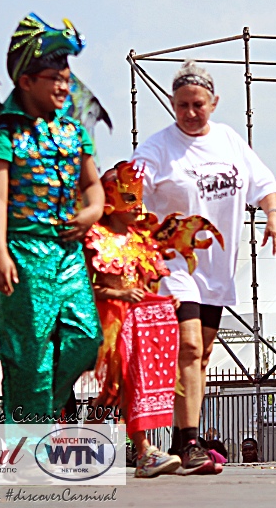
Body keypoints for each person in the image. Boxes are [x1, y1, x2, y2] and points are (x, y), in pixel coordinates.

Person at [133, 60, 276, 475]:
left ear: (213, 103)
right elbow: (130, 189)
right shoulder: (158, 148)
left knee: (198, 361)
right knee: (190, 347)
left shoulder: (230, 141)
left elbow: (265, 184)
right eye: (181, 105)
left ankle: (178, 442)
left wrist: (273, 215)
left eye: (197, 104)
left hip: (216, 271)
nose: (190, 112)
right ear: (172, 104)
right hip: (173, 264)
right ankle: (191, 444)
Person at [0, 13, 104, 424]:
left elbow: (93, 186)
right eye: (53, 76)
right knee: (29, 352)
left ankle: (35, 415)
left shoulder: (74, 131)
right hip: (22, 252)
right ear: (26, 81)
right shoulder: (3, 133)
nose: (63, 85)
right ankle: (29, 443)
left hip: (67, 253)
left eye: (67, 77)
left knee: (86, 339)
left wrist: (91, 212)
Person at [85, 160, 222, 478]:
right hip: (110, 326)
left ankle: (137, 450)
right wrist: (117, 296)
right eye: (129, 197)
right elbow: (86, 285)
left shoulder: (142, 241)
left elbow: (147, 284)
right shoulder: (95, 238)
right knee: (115, 390)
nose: (138, 205)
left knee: (130, 387)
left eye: (140, 197)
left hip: (141, 327)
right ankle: (114, 446)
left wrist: (163, 300)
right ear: (109, 201)